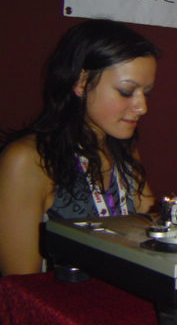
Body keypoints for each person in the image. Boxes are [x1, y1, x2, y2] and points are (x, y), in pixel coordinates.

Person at [0, 19, 158, 276]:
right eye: (126, 91)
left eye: (146, 93)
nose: (142, 107)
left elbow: (150, 232)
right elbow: (22, 283)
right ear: (82, 82)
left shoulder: (123, 151)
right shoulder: (28, 159)